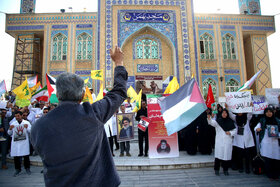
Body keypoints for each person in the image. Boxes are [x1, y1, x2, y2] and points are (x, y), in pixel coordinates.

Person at [31, 46, 127, 187]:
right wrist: (119, 63)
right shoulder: (93, 114)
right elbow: (119, 92)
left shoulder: (39, 126)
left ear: (57, 95)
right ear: (83, 95)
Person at [207, 108, 237, 176]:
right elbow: (211, 122)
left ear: (227, 114)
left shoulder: (230, 122)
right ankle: (216, 170)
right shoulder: (218, 121)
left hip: (227, 141)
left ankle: (225, 170)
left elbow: (235, 130)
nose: (224, 114)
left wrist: (230, 132)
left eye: (225, 113)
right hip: (219, 142)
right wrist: (209, 118)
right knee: (218, 156)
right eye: (223, 113)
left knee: (226, 157)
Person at [255, 107, 280, 180]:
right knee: (268, 159)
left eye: (270, 112)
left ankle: (276, 174)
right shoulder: (262, 120)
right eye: (267, 112)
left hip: (275, 142)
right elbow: (257, 127)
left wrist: (278, 135)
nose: (269, 113)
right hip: (266, 141)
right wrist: (257, 129)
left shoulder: (277, 120)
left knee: (276, 158)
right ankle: (269, 174)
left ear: (273, 112)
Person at [8, 111, 32, 177]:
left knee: (26, 156)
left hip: (24, 142)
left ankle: (27, 168)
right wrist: (10, 129)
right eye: (16, 116)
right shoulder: (13, 123)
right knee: (16, 156)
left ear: (21, 116)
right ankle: (17, 169)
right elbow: (9, 133)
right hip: (16, 142)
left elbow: (30, 131)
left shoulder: (26, 123)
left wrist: (27, 127)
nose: (17, 117)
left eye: (18, 116)